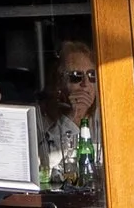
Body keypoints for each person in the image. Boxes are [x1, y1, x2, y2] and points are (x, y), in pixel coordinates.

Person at [37, 42, 101, 200]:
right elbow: (44, 167)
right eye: (76, 76)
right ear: (59, 83)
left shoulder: (105, 117)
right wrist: (73, 118)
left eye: (91, 75)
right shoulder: (40, 117)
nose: (85, 84)